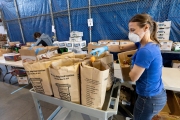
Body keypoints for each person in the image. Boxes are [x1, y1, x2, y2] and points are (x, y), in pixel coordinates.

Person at [90, 13, 167, 120]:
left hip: (149, 99)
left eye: (133, 30)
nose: (130, 33)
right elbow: (121, 48)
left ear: (146, 27)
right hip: (156, 93)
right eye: (130, 30)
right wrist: (105, 48)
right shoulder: (145, 44)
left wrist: (125, 65)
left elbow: (132, 78)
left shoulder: (146, 51)